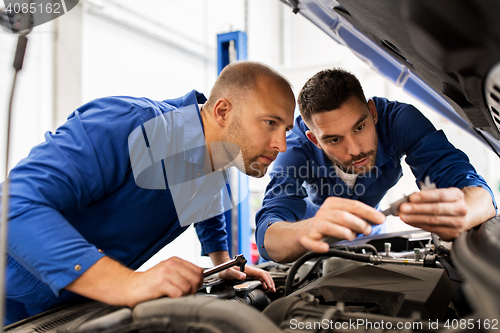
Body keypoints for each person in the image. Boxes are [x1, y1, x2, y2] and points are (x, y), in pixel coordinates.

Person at [1, 61, 296, 324]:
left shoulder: (214, 159)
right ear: (222, 111)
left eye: (286, 129)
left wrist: (224, 266)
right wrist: (127, 283)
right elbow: (13, 204)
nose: (281, 145)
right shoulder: (130, 124)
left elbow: (207, 209)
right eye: (270, 123)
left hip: (74, 306)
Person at [256, 68, 496, 263]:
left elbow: (476, 191)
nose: (355, 149)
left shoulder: (400, 122)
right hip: (310, 248)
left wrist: (463, 212)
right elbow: (268, 234)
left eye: (360, 127)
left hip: (372, 238)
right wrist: (307, 231)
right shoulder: (294, 149)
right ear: (315, 140)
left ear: (372, 112)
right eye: (334, 139)